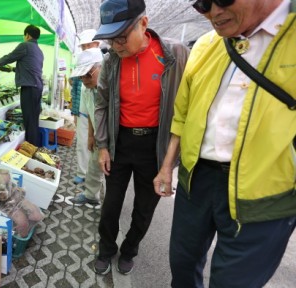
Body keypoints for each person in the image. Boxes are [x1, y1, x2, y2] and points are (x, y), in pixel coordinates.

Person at [153, 0, 296, 287]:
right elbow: (182, 114)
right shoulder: (206, 46)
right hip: (197, 181)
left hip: (264, 197)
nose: (212, 12)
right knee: (181, 264)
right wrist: (167, 167)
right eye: (202, 4)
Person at [92, 0, 189, 275]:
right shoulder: (111, 60)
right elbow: (101, 103)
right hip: (120, 143)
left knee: (144, 208)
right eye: (111, 39)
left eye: (121, 37)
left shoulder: (175, 54)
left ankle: (130, 249)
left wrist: (171, 161)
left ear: (143, 24)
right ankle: (106, 248)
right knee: (111, 205)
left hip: (155, 146)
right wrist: (102, 145)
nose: (116, 45)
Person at [0, 25, 44, 146]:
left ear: (27, 35)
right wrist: (12, 69)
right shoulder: (39, 50)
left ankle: (31, 148)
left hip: (29, 87)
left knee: (29, 119)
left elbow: (10, 56)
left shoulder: (25, 45)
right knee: (33, 119)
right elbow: (29, 67)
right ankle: (34, 146)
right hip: (36, 87)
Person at [70, 48, 106, 206]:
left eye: (88, 74)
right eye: (81, 75)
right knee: (93, 166)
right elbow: (91, 115)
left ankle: (109, 204)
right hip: (98, 133)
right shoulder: (86, 90)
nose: (84, 79)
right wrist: (91, 136)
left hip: (113, 136)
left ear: (101, 68)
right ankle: (91, 194)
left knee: (108, 169)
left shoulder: (111, 87)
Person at [71, 29, 102, 185]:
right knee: (83, 144)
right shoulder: (85, 82)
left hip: (101, 122)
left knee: (99, 153)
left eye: (88, 45)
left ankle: (93, 185)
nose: (84, 79)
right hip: (85, 113)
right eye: (83, 46)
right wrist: (74, 112)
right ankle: (83, 174)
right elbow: (76, 90)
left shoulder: (103, 69)